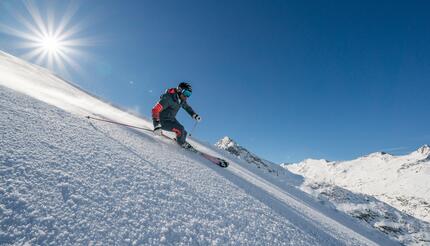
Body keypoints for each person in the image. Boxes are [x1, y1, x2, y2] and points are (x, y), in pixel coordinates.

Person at [151, 82, 201, 148]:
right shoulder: (168, 98)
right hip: (162, 121)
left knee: (184, 132)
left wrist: (194, 115)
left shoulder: (181, 100)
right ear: (180, 90)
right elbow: (155, 109)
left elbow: (187, 107)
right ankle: (181, 143)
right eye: (186, 93)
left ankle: (180, 140)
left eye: (189, 94)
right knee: (180, 129)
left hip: (171, 119)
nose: (187, 96)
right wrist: (157, 125)